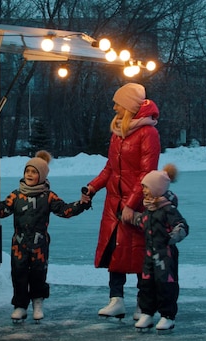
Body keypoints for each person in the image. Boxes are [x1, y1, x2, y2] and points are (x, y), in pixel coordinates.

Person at [0, 150, 91, 322]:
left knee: (38, 274)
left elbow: (65, 210)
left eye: (34, 172)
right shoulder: (16, 195)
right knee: (18, 273)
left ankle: (37, 302)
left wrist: (82, 204)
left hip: (39, 245)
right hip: (19, 244)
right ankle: (20, 306)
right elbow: (3, 211)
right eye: (27, 171)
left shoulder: (48, 196)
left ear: (42, 176)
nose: (29, 174)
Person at [82, 83, 161, 320]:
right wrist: (93, 187)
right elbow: (110, 169)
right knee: (114, 251)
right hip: (113, 204)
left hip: (135, 205)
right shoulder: (118, 132)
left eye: (118, 103)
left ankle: (142, 303)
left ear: (128, 105)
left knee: (139, 254)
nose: (114, 106)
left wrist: (131, 204)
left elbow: (146, 175)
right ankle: (116, 299)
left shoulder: (148, 133)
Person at [130, 164, 189, 332]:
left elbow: (182, 226)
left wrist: (172, 237)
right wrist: (126, 216)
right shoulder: (149, 209)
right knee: (146, 284)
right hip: (149, 255)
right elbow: (142, 221)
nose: (144, 191)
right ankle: (147, 312)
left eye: (146, 188)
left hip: (165, 255)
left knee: (166, 285)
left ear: (157, 189)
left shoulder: (168, 209)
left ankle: (167, 315)